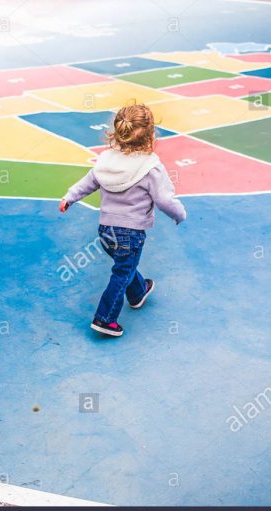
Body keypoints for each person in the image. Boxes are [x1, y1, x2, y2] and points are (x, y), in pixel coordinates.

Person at [60, 103, 186, 337]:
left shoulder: (106, 160)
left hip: (106, 231)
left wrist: (70, 197)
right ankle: (105, 319)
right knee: (122, 273)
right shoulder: (151, 166)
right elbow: (164, 199)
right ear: (150, 135)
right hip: (131, 232)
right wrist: (179, 214)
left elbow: (89, 181)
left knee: (124, 265)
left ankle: (138, 292)